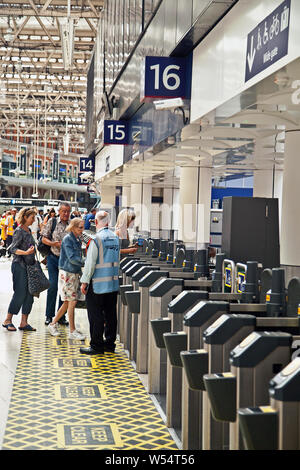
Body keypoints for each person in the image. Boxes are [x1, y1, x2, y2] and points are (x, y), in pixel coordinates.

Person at [80, 211, 120, 355]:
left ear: (96, 223)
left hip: (97, 285)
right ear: (108, 222)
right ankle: (110, 345)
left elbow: (90, 264)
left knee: (95, 315)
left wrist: (84, 282)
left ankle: (96, 346)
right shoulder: (116, 238)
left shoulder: (96, 240)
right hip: (113, 284)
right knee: (110, 315)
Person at [47, 218, 85, 340]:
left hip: (73, 272)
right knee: (71, 301)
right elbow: (72, 258)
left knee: (67, 302)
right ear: (73, 227)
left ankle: (53, 324)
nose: (82, 230)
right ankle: (72, 331)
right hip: (68, 273)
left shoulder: (77, 239)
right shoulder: (69, 240)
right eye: (80, 227)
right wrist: (87, 262)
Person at [2, 207, 37, 332]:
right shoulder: (18, 231)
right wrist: (26, 252)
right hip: (19, 266)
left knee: (30, 294)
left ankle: (24, 322)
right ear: (25, 217)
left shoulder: (28, 230)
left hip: (29, 266)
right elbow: (12, 249)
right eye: (32, 217)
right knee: (20, 293)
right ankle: (8, 320)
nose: (34, 220)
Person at [42, 202, 71, 326]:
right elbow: (44, 238)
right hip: (53, 258)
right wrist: (54, 244)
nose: (66, 214)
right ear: (59, 211)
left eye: (68, 211)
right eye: (63, 211)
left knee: (64, 288)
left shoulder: (72, 224)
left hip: (66, 260)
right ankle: (49, 315)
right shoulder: (52, 222)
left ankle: (61, 316)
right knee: (53, 286)